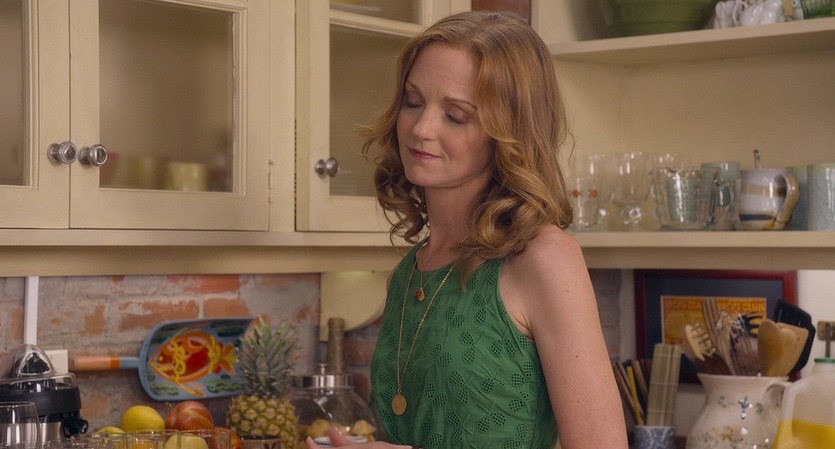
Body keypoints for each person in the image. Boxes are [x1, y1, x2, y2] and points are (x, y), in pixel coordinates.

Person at [306, 10, 627, 449]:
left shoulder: (543, 258)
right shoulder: (409, 273)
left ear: (508, 133)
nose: (421, 128)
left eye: (456, 115)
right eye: (413, 101)